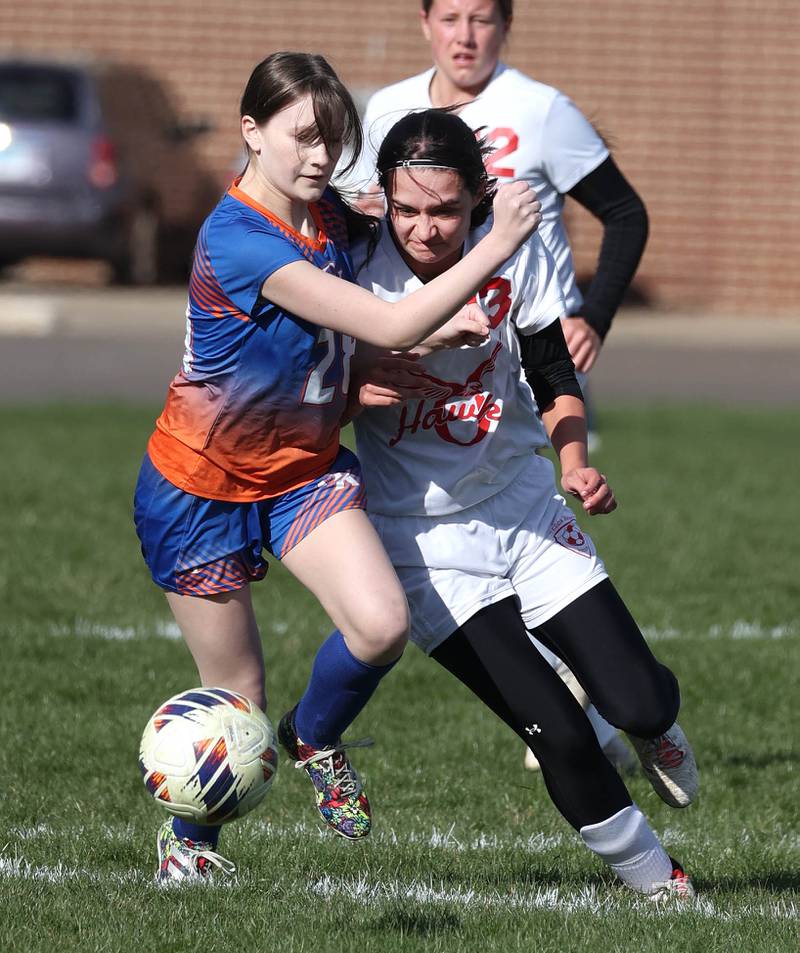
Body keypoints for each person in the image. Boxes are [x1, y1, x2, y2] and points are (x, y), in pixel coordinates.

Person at [133, 52, 542, 884]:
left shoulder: (329, 218)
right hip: (198, 487)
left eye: (336, 139)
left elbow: (397, 243)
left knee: (381, 624)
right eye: (303, 138)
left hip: (300, 473)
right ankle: (190, 847)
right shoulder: (240, 236)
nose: (321, 157)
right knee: (235, 695)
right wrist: (495, 244)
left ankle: (316, 735)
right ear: (251, 132)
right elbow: (383, 324)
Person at [349, 109, 698, 900]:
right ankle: (659, 885)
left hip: (523, 506)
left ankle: (653, 729)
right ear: (383, 201)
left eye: (444, 210)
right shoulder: (353, 267)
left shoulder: (518, 252)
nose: (426, 229)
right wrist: (351, 388)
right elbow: (306, 390)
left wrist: (575, 461)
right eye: (407, 209)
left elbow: (550, 370)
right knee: (560, 734)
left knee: (638, 700)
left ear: (478, 199)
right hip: (422, 543)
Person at [343, 0, 650, 773]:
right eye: (450, 16)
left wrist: (594, 321)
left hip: (512, 352)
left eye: (482, 17)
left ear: (506, 26)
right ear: (424, 24)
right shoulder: (387, 112)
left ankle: (607, 695)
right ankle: (571, 714)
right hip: (416, 397)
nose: (466, 34)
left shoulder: (541, 111)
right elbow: (348, 239)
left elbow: (622, 211)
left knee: (519, 492)